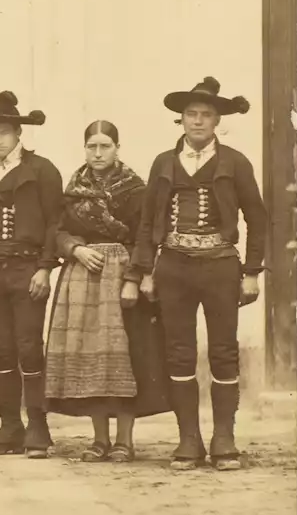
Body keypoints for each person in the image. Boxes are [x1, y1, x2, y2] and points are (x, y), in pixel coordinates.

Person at [127, 77, 266, 472]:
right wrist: (144, 271)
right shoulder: (163, 162)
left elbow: (257, 218)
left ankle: (224, 437)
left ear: (217, 120)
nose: (198, 121)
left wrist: (252, 271)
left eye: (206, 115)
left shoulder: (235, 162)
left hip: (221, 267)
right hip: (172, 267)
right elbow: (147, 221)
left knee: (223, 351)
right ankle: (188, 439)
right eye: (191, 114)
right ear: (181, 120)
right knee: (179, 352)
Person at [47, 121, 171, 463]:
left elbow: (146, 236)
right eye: (92, 147)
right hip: (84, 278)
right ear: (84, 148)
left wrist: (135, 278)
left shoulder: (135, 190)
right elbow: (57, 231)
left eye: (105, 146)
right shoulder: (74, 190)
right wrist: (75, 249)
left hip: (122, 279)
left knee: (125, 358)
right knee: (91, 360)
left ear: (117, 148)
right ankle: (99, 439)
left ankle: (124, 441)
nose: (98, 153)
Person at [0, 91, 63, 458]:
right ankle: (10, 426)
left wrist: (45, 268)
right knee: (0, 349)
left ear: (18, 133)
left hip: (27, 271)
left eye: (4, 132)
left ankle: (38, 428)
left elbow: (55, 223)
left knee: (28, 348)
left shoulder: (42, 169)